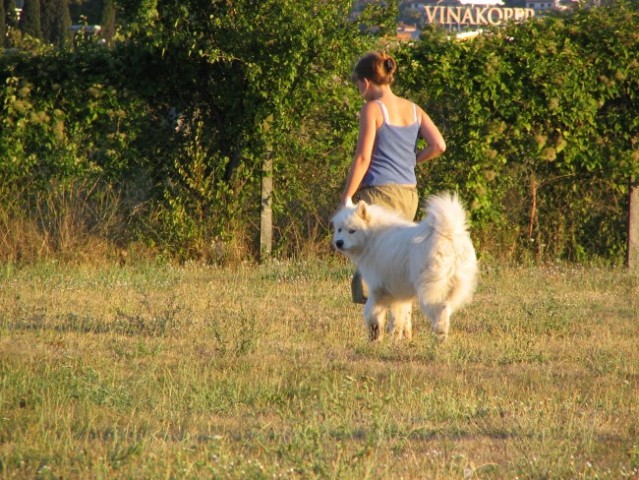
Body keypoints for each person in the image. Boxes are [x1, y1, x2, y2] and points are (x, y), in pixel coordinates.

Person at [341, 51, 446, 304]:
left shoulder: (372, 109)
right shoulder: (413, 109)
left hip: (379, 194)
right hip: (408, 194)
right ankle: (401, 321)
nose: (359, 91)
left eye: (358, 86)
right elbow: (439, 145)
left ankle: (377, 319)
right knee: (399, 260)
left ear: (365, 82)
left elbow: (363, 158)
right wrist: (412, 160)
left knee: (373, 262)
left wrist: (346, 197)